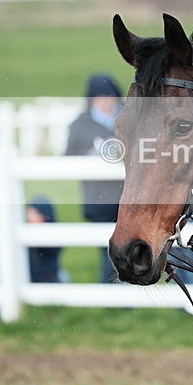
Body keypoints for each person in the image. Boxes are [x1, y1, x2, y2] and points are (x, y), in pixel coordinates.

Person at [65, 73, 124, 284]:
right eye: (100, 98)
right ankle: (108, 290)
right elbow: (68, 158)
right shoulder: (80, 125)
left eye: (110, 97)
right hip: (98, 197)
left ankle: (125, 289)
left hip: (128, 196)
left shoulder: (128, 118)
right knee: (107, 248)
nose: (106, 102)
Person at [26, 195, 67, 283]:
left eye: (36, 213)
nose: (31, 217)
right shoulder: (25, 233)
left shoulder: (54, 235)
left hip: (49, 277)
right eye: (30, 213)